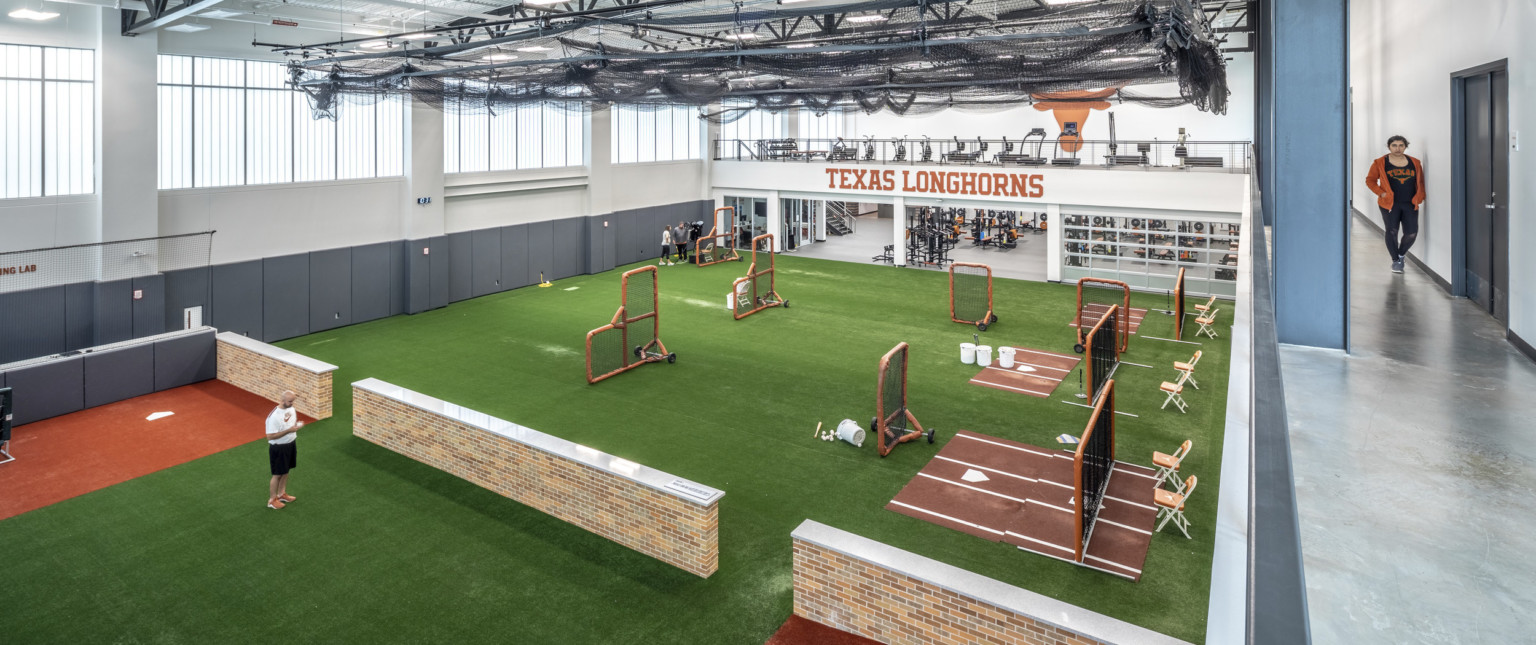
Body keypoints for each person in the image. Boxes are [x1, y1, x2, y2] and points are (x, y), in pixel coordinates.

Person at [1364, 135, 1426, 274]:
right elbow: (1370, 180)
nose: (1398, 148)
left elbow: (1420, 182)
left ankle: (1401, 254)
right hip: (1390, 203)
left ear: (1405, 146)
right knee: (1392, 231)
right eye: (1394, 145)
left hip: (1410, 203)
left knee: (1411, 233)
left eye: (1401, 145)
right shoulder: (1380, 162)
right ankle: (1396, 261)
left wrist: (1420, 197)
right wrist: (1381, 193)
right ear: (1389, 147)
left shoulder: (1415, 162)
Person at [265, 390, 303, 509]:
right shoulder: (274, 416)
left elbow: (289, 425)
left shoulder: (291, 409)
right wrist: (289, 431)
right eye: (290, 401)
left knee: (286, 471)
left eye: (293, 401)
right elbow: (270, 436)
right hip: (279, 448)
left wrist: (296, 427)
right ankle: (272, 500)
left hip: (290, 444)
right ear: (282, 401)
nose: (292, 403)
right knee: (277, 474)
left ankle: (281, 494)